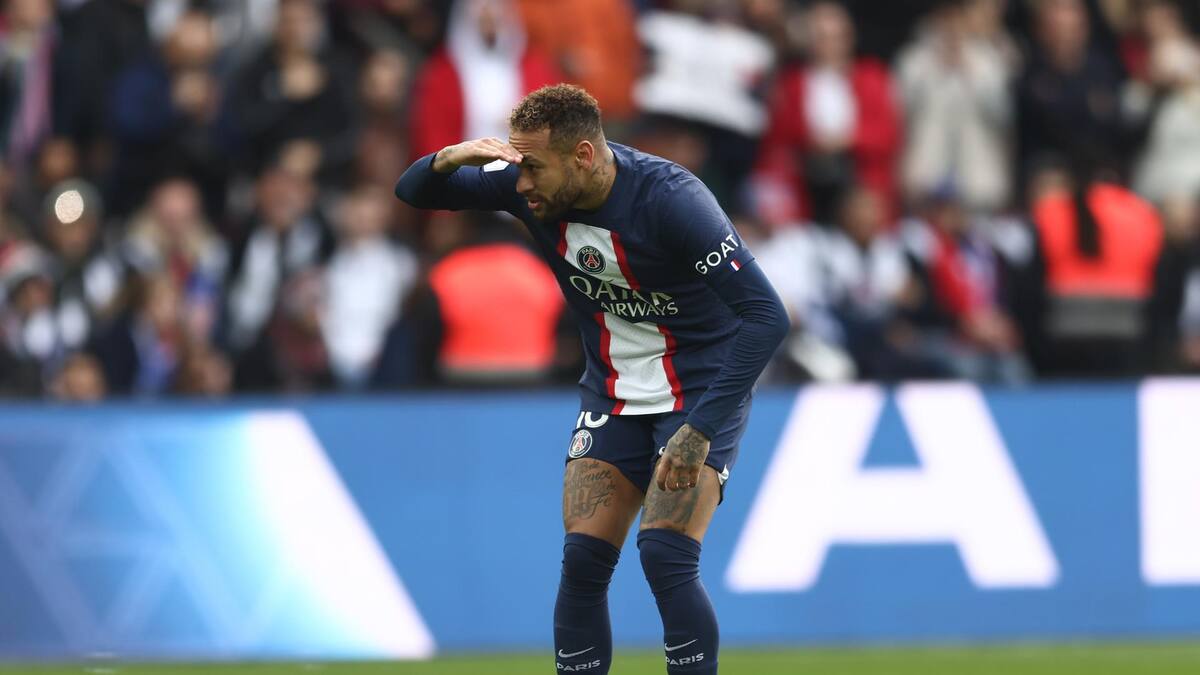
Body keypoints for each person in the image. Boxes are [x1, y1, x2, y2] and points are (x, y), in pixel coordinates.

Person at [394, 84, 788, 675]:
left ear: (582, 156)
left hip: (698, 391)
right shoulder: (527, 181)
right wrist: (452, 156)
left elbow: (766, 316)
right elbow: (413, 191)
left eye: (534, 168)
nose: (520, 183)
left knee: (664, 554)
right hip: (613, 388)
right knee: (582, 562)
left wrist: (701, 429)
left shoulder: (672, 199)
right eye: (518, 166)